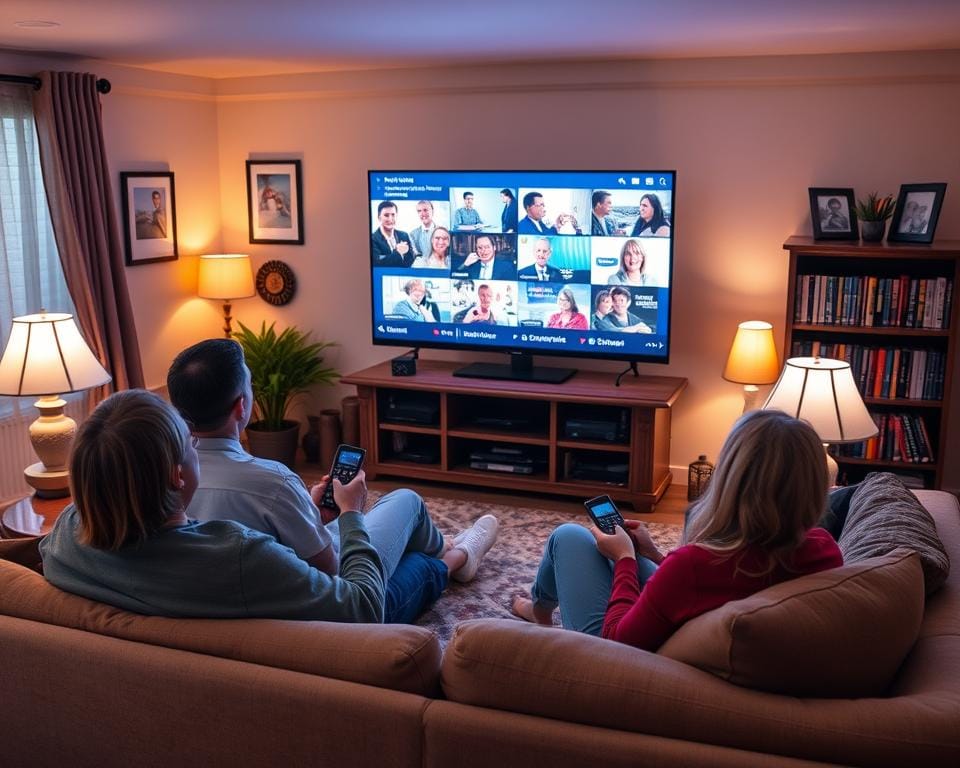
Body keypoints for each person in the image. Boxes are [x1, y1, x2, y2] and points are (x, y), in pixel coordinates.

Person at [164, 340, 500, 621]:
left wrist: (308, 510)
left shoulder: (164, 483)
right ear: (241, 406)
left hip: (268, 594)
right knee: (406, 503)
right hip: (328, 611)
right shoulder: (273, 482)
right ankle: (457, 556)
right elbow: (334, 572)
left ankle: (450, 548)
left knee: (378, 525)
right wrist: (350, 510)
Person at [511, 409, 843, 649]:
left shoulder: (692, 566)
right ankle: (540, 610)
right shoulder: (823, 549)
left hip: (616, 656)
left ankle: (542, 611)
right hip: (687, 615)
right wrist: (654, 554)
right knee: (604, 547)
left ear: (730, 480)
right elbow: (707, 586)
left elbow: (617, 642)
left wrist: (626, 559)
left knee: (569, 536)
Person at [371, 201, 414, 267]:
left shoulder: (404, 235)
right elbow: (377, 264)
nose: (390, 219)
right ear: (379, 218)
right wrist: (398, 252)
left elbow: (410, 260)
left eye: (393, 215)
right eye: (386, 215)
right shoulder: (373, 239)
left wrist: (388, 258)